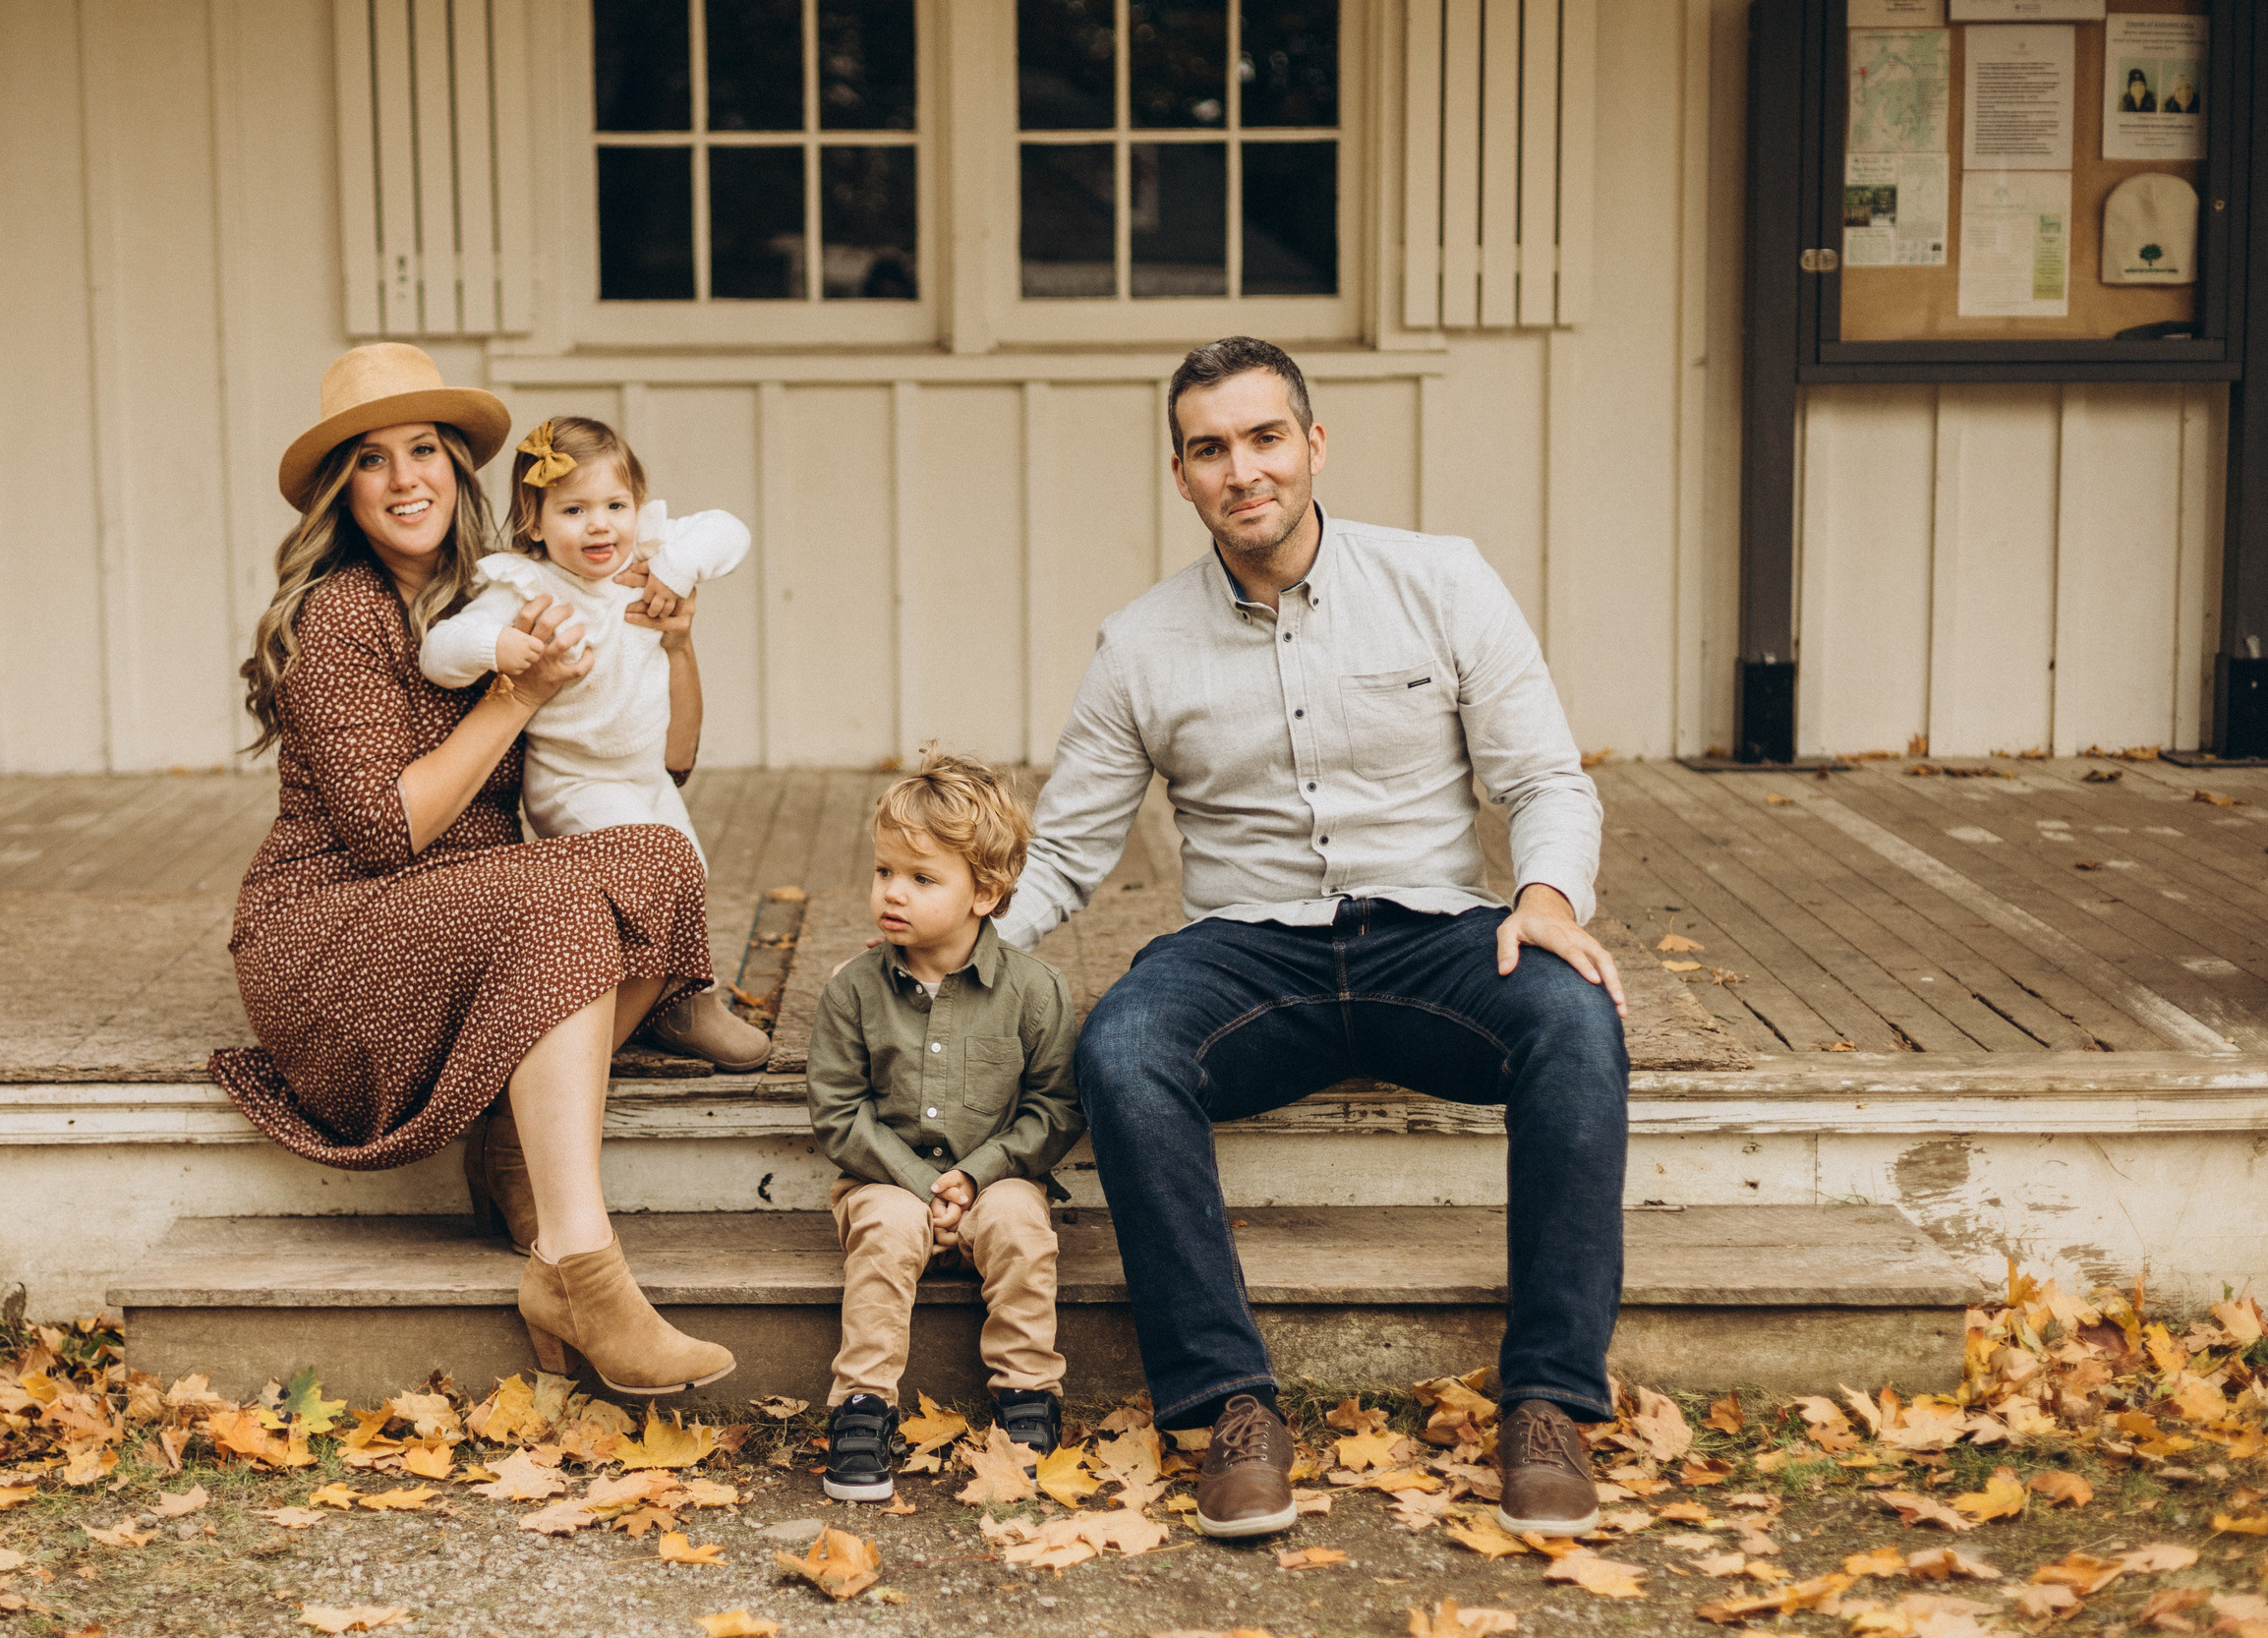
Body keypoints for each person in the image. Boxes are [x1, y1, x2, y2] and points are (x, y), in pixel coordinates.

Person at [999, 337, 1627, 1541]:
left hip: (1434, 939)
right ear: (1181, 476)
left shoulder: (1441, 581)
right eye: (1210, 449)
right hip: (1248, 956)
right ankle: (1230, 1406)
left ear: (1313, 444)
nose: (1244, 470)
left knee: (1574, 1019)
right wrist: (956, 958)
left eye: (1264, 438)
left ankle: (1547, 1402)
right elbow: (1069, 851)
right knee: (1123, 1048)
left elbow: (1544, 778)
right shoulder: (1140, 643)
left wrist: (1545, 897)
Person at [209, 342, 736, 1396]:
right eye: (371, 459)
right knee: (561, 898)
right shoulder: (341, 615)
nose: (406, 480)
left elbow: (666, 758)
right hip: (334, 939)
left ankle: (510, 1147)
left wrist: (668, 642)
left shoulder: (506, 590)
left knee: (661, 861)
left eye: (424, 451)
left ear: (459, 466)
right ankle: (578, 1271)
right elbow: (384, 835)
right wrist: (517, 699)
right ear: (340, 491)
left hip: (461, 916)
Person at [418, 416, 771, 1078]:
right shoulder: (522, 585)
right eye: (573, 509)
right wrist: (499, 647)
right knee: (644, 881)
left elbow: (731, 530)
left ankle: (681, 999)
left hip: (646, 774)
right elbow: (439, 652)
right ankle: (607, 1017)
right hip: (573, 781)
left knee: (687, 873)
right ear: (534, 522)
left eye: (616, 505)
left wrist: (676, 562)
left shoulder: (651, 559)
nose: (600, 525)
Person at [807, 754, 1085, 1502]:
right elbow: (839, 1109)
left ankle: (1027, 1395)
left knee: (1024, 1227)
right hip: (887, 1182)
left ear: (986, 894)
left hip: (996, 1181)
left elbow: (1055, 1105)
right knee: (888, 1232)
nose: (892, 891)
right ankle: (862, 1406)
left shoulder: (1034, 990)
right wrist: (925, 1182)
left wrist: (980, 1172)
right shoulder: (854, 991)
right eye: (884, 870)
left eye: (922, 878)